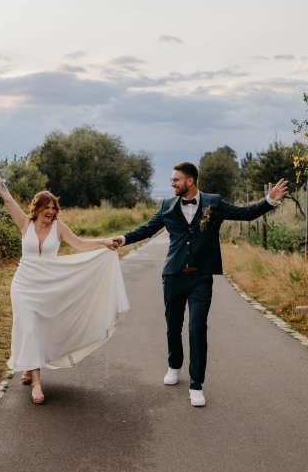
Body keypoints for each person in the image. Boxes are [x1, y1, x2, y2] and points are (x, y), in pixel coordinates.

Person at [112, 162, 288, 407]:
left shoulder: (213, 203)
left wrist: (268, 201)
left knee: (197, 328)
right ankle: (174, 365)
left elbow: (245, 213)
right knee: (173, 327)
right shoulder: (166, 205)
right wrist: (122, 239)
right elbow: (147, 230)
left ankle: (196, 385)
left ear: (190, 181)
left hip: (201, 278)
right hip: (173, 276)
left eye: (176, 180)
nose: (172, 183)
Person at [0, 164, 130, 404]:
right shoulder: (25, 224)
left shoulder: (58, 228)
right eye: (47, 207)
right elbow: (7, 198)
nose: (50, 212)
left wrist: (103, 242)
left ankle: (29, 367)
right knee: (29, 326)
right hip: (23, 285)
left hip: (49, 286)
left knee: (39, 328)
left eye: (53, 208)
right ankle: (37, 384)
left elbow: (79, 244)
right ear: (37, 208)